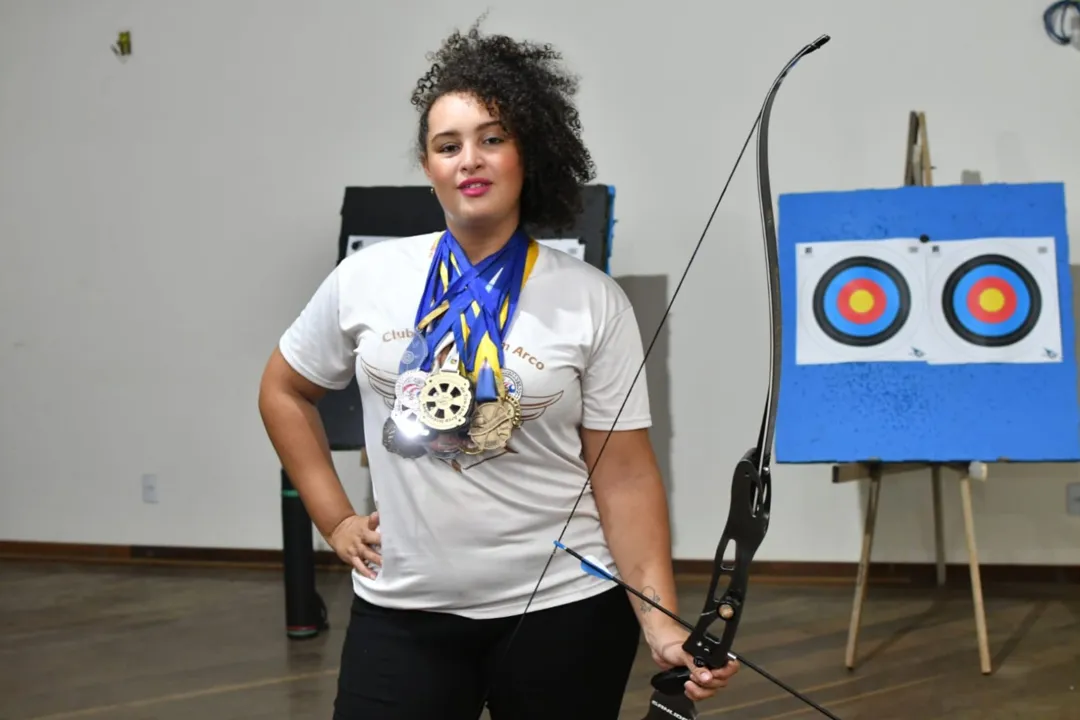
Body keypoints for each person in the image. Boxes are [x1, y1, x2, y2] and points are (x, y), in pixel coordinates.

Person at [258, 19, 739, 720]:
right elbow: (283, 388)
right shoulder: (366, 277)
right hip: (403, 610)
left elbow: (625, 473)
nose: (469, 160)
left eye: (492, 138)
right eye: (447, 145)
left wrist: (659, 618)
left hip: (564, 609)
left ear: (527, 154)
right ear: (428, 166)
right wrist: (333, 519)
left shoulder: (591, 299)